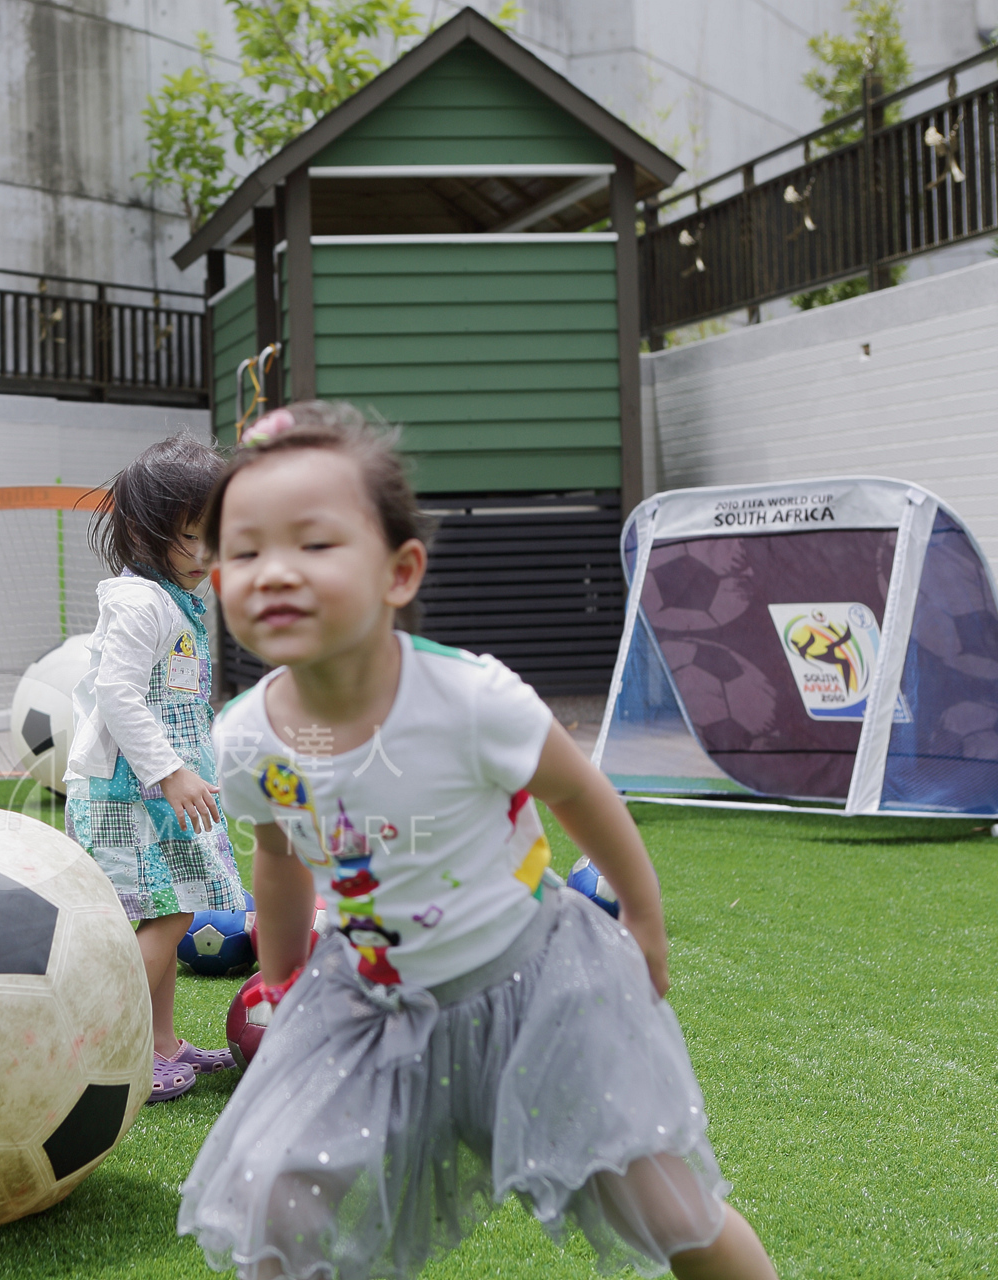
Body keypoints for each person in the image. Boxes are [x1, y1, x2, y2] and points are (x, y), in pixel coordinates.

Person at [178, 404, 779, 1280]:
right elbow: (277, 856)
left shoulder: (471, 703)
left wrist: (643, 917)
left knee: (660, 1202)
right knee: (277, 1189)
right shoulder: (245, 740)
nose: (275, 572)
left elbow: (580, 792)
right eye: (244, 550)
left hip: (532, 983)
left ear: (399, 570)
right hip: (366, 999)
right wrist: (277, 983)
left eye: (314, 544)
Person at [65, 435, 247, 1103]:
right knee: (163, 920)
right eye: (191, 538)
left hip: (164, 789)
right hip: (129, 793)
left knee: (166, 911)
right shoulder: (140, 603)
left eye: (215, 538)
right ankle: (99, 1049)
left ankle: (162, 1043)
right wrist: (170, 772)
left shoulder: (176, 599)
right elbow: (118, 694)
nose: (206, 556)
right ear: (145, 534)